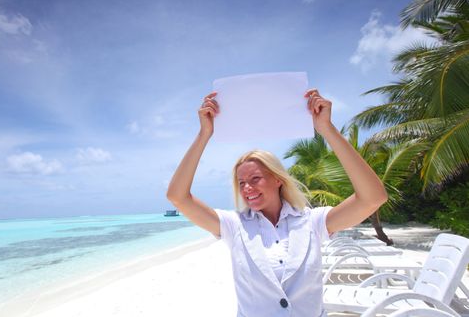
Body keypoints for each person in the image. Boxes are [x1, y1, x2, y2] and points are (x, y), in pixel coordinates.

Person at [166, 89, 388, 317]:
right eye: (241, 182)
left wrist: (326, 129)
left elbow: (372, 198)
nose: (246, 188)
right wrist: (204, 134)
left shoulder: (313, 221)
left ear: (278, 179)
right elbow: (178, 197)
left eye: (255, 179)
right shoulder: (234, 225)